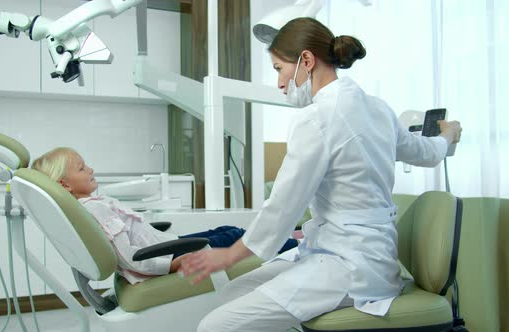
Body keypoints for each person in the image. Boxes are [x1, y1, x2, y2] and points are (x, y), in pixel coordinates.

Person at [178, 17, 463, 332]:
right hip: (360, 256)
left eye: (278, 70)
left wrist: (231, 254)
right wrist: (447, 135)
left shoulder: (317, 117)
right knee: (234, 293)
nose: (279, 83)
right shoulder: (379, 109)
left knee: (215, 326)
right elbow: (427, 152)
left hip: (350, 265)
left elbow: (285, 204)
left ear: (307, 61)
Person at [31, 147, 299, 285]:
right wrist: (171, 265)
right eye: (81, 168)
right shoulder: (94, 209)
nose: (90, 169)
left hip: (163, 243)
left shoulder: (92, 204)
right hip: (165, 255)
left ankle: (289, 237)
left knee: (228, 229)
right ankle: (296, 245)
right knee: (235, 236)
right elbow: (128, 257)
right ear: (65, 184)